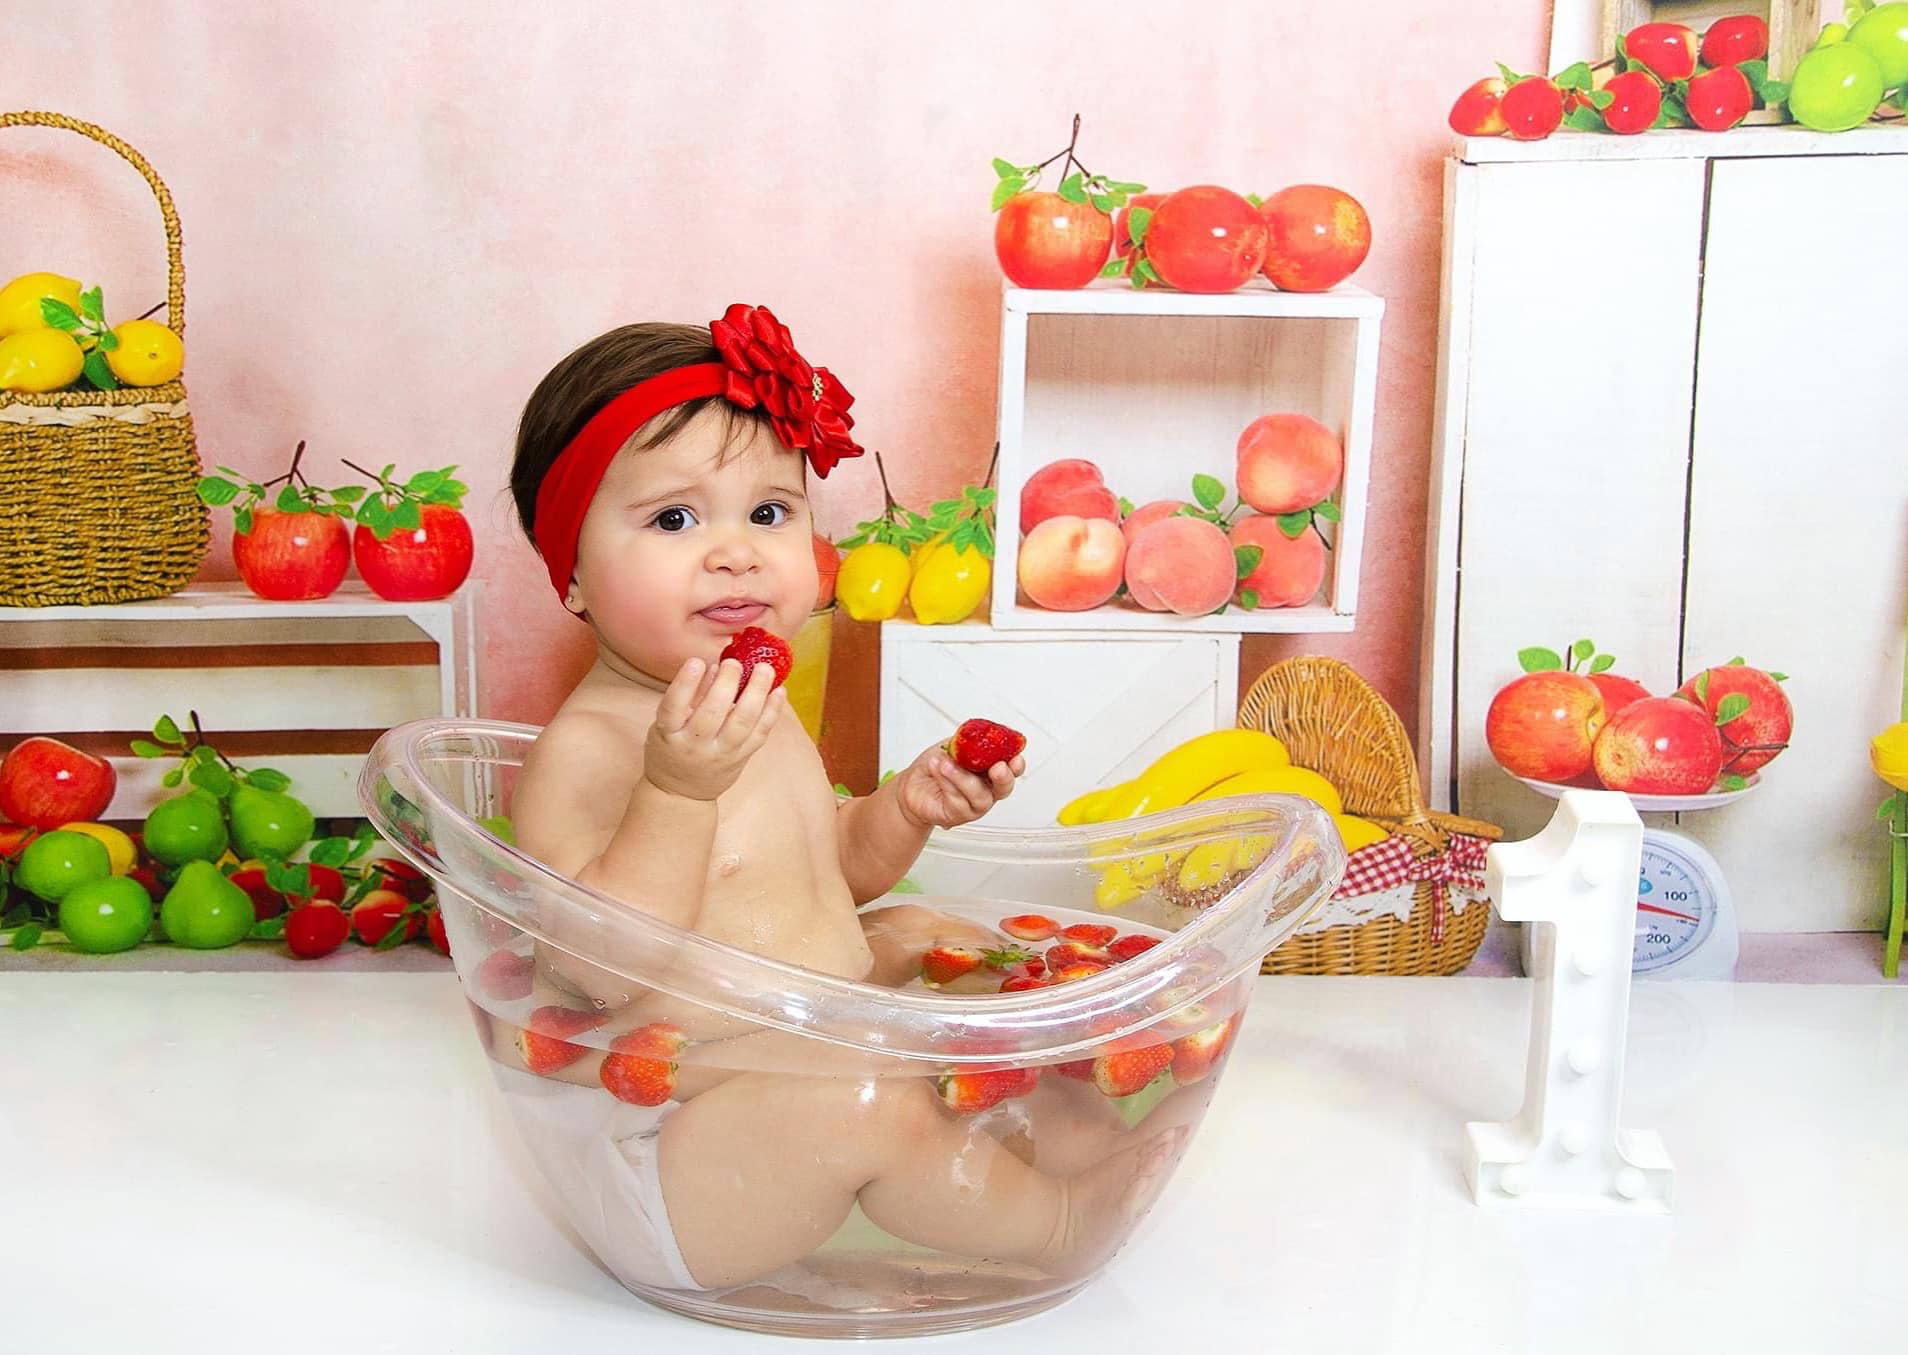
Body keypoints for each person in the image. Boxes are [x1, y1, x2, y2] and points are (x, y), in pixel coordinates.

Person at [489, 303, 1185, 1292]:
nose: (735, 551)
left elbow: (826, 872)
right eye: (675, 518)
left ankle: (1071, 1151)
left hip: (793, 1055)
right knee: (863, 1093)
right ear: (572, 576)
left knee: (940, 942)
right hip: (675, 1141)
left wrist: (904, 808)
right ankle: (1059, 1217)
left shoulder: (757, 705)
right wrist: (675, 790)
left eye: (769, 512)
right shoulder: (591, 747)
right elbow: (596, 968)